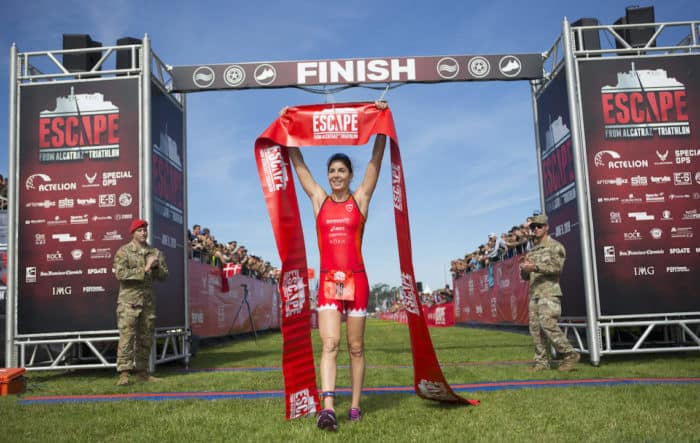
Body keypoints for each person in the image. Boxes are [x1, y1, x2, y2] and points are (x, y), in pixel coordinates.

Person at [285, 101, 388, 431]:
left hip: (357, 281)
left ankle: (355, 405)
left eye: (341, 171)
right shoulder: (319, 200)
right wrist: (288, 131)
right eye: (331, 172)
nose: (335, 176)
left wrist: (382, 128)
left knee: (356, 348)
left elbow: (375, 162)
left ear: (350, 175)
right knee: (329, 344)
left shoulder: (361, 200)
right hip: (329, 281)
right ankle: (327, 408)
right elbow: (299, 165)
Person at [519, 214, 580, 372]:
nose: (536, 229)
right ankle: (541, 362)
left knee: (548, 324)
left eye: (539, 226)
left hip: (549, 293)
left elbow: (557, 268)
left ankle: (570, 354)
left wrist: (535, 267)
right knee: (536, 330)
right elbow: (526, 276)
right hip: (535, 294)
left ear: (546, 227)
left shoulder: (555, 246)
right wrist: (524, 269)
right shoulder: (532, 251)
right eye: (533, 227)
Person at [113, 219, 169, 386]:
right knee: (127, 337)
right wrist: (145, 268)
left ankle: (143, 373)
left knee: (145, 338)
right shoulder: (124, 251)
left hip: (147, 302)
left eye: (145, 230)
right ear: (133, 233)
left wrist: (156, 267)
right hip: (129, 303)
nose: (143, 233)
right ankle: (124, 374)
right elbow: (120, 274)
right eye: (139, 231)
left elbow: (164, 276)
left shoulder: (155, 252)